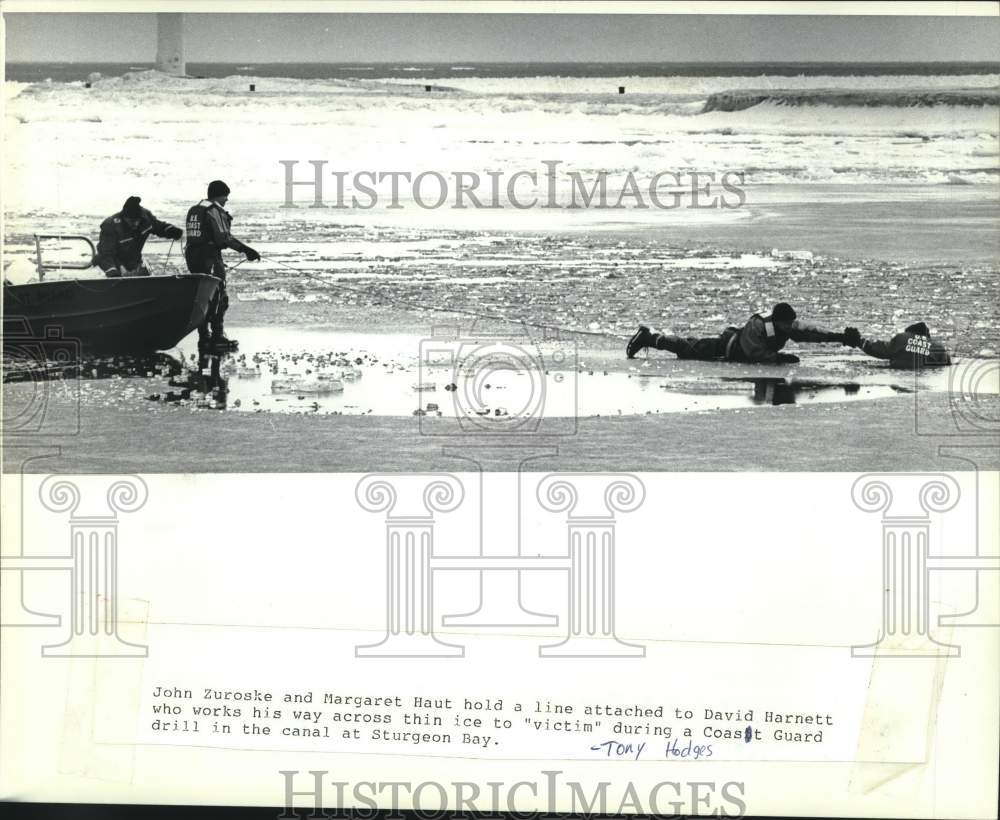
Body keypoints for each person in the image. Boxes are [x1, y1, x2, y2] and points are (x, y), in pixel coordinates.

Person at [626, 302, 860, 364]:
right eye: (786, 326)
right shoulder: (759, 324)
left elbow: (811, 333)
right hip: (724, 348)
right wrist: (778, 358)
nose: (790, 329)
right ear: (778, 321)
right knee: (687, 347)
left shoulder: (787, 324)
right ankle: (648, 337)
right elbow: (752, 352)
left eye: (791, 325)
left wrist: (839, 337)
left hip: (735, 349)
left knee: (687, 347)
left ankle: (651, 337)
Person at [184, 180, 260, 352]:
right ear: (220, 195)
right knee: (218, 295)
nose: (226, 200)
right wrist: (246, 249)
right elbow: (223, 238)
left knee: (201, 296)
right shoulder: (213, 210)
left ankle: (204, 337)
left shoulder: (195, 209)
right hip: (209, 257)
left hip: (193, 256)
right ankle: (217, 336)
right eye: (226, 196)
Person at [97, 196, 183, 277]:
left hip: (134, 260)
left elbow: (158, 226)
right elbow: (105, 254)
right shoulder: (110, 225)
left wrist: (170, 230)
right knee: (118, 279)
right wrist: (114, 271)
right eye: (131, 221)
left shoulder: (145, 217)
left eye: (137, 220)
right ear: (124, 217)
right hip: (115, 260)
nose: (136, 224)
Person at [850, 321, 952, 368]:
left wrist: (858, 341)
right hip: (926, 374)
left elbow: (880, 349)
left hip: (900, 371)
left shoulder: (902, 338)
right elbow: (947, 362)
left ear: (909, 332)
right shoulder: (938, 346)